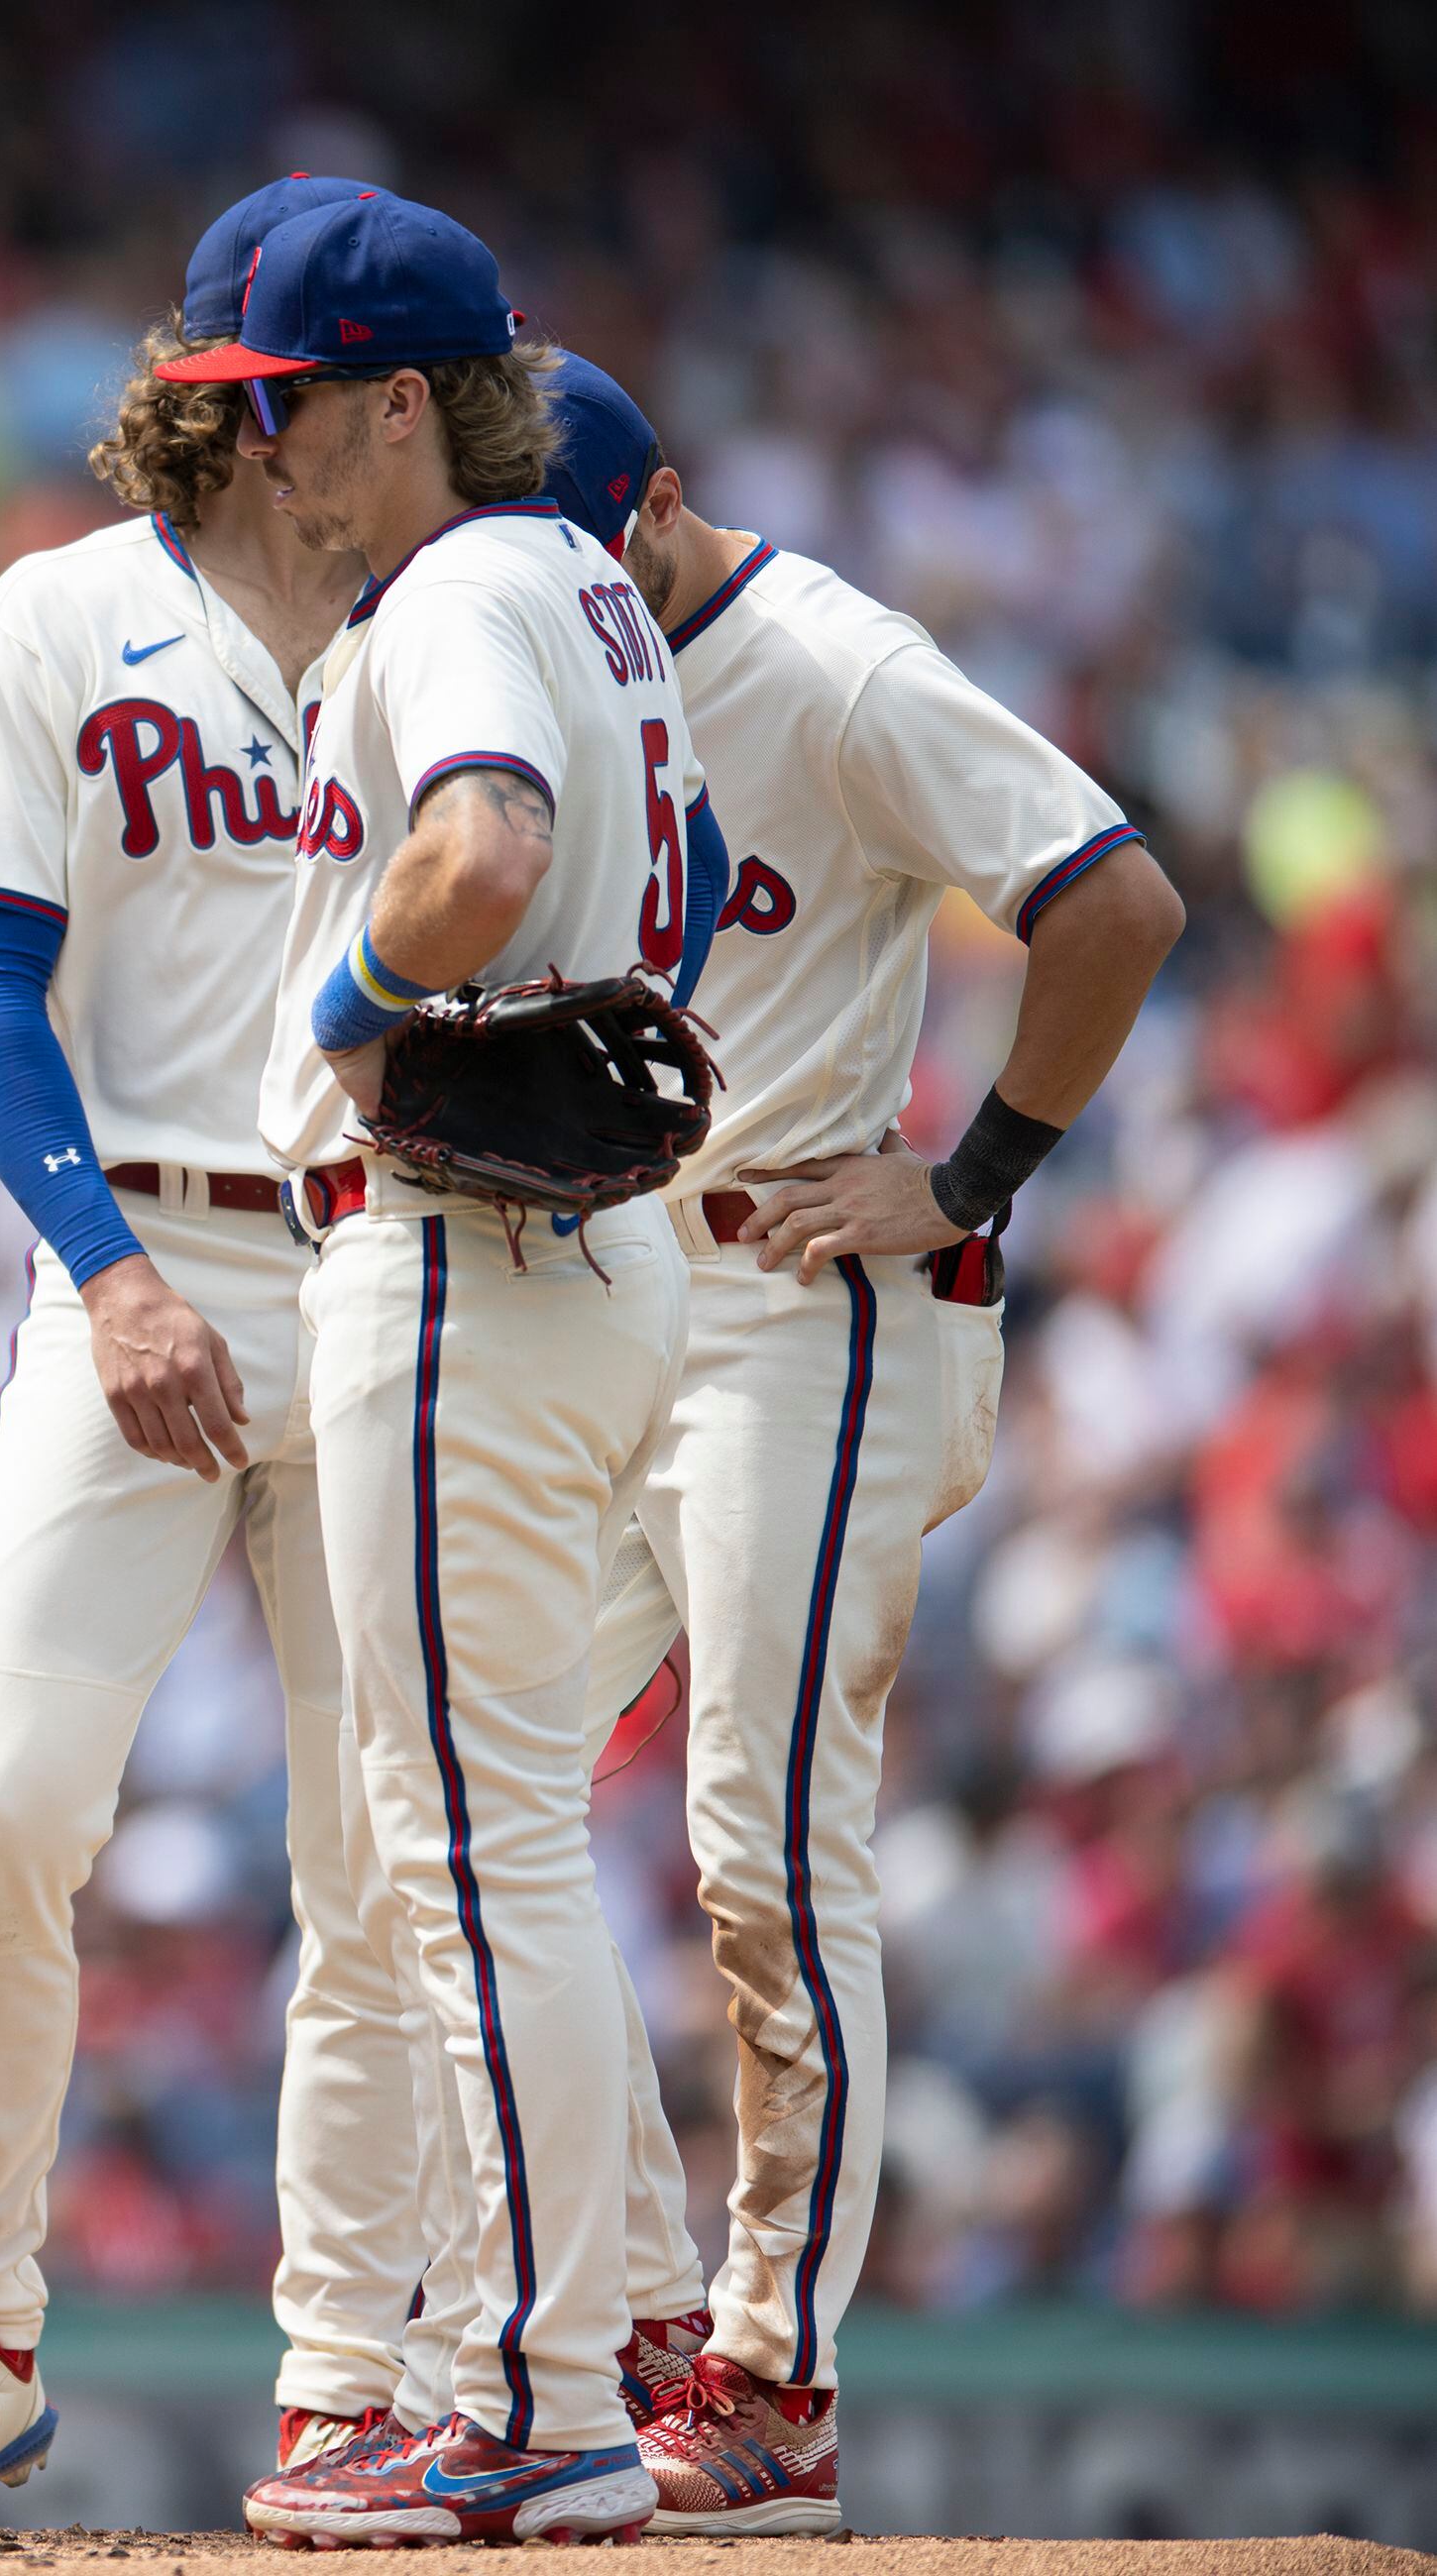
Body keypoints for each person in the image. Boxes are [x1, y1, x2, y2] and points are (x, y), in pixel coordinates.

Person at [546, 357, 1183, 2533]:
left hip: (813, 1289)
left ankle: (775, 2374)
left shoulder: (828, 666)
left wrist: (980, 1164)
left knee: (761, 1843)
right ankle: (637, 2311)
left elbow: (1115, 898)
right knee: (470, 1791)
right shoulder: (539, 640)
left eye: (574, 557)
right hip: (627, 1277)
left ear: (658, 509)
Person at [0, 174, 376, 2529]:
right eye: (348, 397)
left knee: (386, 1863)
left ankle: (362, 2372)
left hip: (395, 1265)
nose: (386, 428)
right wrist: (112, 1268)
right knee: (3, 1817)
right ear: (257, 416)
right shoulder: (62, 614)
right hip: (132, 1258)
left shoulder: (466, 611)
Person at [173, 196, 698, 2547]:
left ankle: (537, 2389)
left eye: (279, 399)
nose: (256, 442)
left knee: (474, 1859)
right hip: (579, 1256)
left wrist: (330, 1014)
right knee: (484, 1854)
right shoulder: (586, 578)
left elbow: (481, 849)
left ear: (399, 399)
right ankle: (546, 2358)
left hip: (469, 1247)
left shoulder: (467, 585)